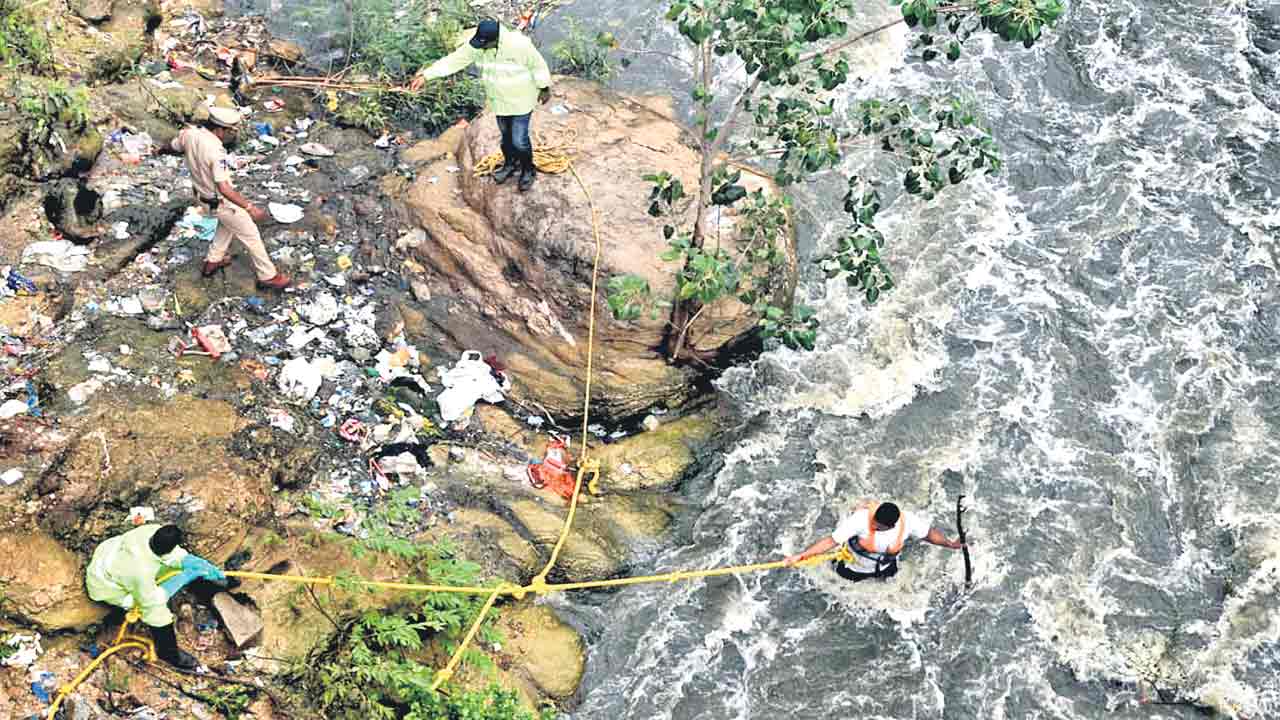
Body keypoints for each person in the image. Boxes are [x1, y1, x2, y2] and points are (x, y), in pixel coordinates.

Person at [409, 19, 553, 192]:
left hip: (521, 101)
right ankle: (510, 164)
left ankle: (528, 170)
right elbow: (454, 60)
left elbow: (538, 66)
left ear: (496, 40)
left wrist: (544, 87)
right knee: (506, 136)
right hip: (499, 102)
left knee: (519, 140)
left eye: (484, 44)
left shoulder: (519, 45)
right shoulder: (479, 46)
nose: (480, 47)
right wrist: (426, 75)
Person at [170, 105, 291, 290]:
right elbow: (224, 188)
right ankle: (267, 276)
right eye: (230, 131)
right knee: (250, 234)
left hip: (201, 196)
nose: (231, 135)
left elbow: (172, 147)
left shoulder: (189, 134)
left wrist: (158, 151)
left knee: (227, 225)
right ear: (220, 129)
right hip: (219, 201)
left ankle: (212, 261)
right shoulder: (216, 152)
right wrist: (250, 208)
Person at [85, 524, 228, 668]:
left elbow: (170, 555)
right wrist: (183, 578)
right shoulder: (139, 573)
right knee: (157, 613)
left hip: (111, 560)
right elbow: (151, 600)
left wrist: (189, 561)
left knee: (175, 569)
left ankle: (208, 587)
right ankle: (168, 653)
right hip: (107, 587)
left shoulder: (150, 531)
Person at [784, 501, 965, 582]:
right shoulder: (860, 520)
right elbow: (830, 542)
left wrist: (949, 544)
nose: (873, 526)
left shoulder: (908, 521)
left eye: (878, 527)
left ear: (891, 525)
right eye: (873, 522)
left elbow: (929, 535)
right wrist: (801, 556)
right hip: (852, 569)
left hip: (886, 568)